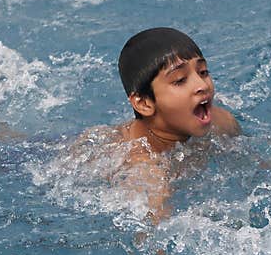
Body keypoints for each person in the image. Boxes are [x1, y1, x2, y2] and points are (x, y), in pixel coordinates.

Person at [74, 27, 241, 227]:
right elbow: (153, 240)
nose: (202, 85)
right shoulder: (143, 169)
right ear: (144, 103)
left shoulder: (222, 123)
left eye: (203, 72)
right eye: (180, 80)